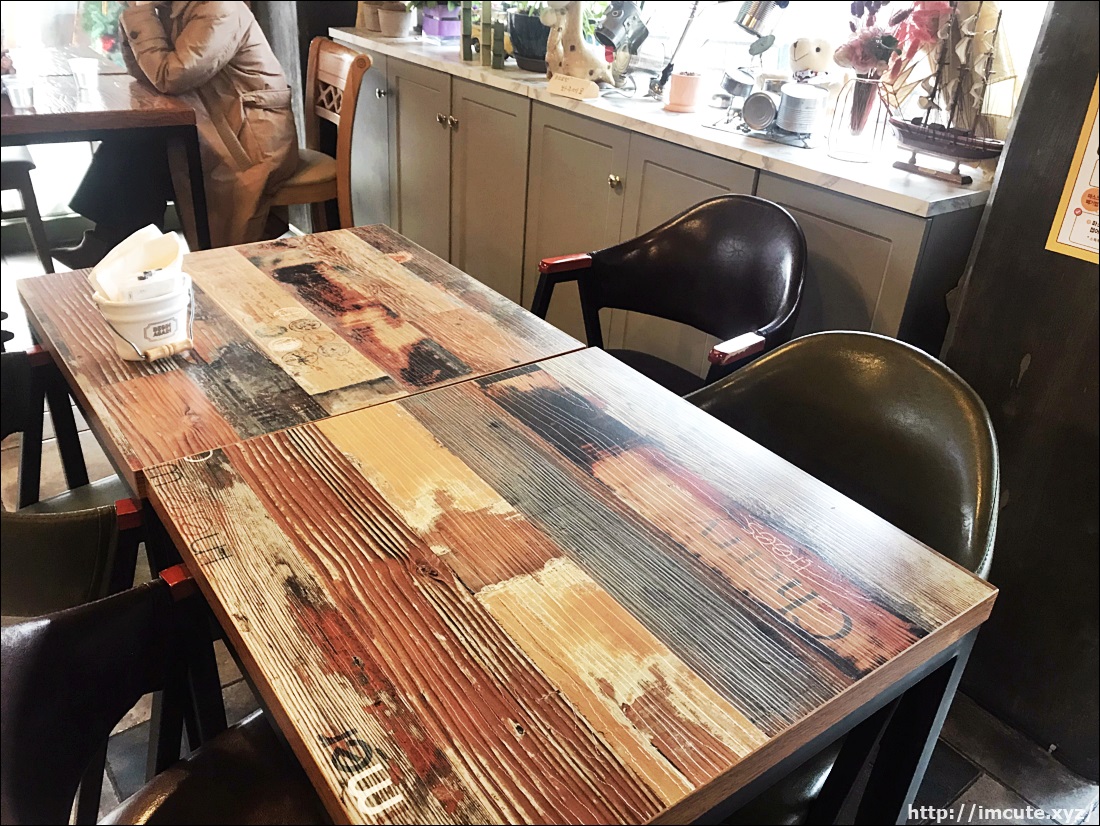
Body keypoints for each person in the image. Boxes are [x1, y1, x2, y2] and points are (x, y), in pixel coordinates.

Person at [54, 1, 298, 267]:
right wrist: (137, 15)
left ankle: (118, 251)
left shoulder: (219, 8)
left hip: (249, 135)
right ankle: (120, 250)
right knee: (133, 143)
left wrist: (141, 13)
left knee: (137, 149)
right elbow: (145, 73)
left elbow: (169, 77)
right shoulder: (173, 9)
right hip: (216, 121)